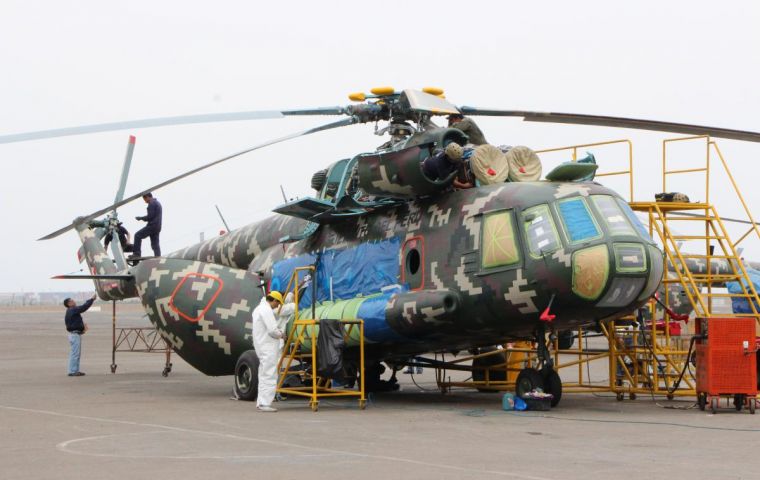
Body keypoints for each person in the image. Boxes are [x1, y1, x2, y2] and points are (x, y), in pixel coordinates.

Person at [251, 290, 295, 412]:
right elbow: (272, 330)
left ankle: (261, 402)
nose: (278, 306)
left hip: (261, 346)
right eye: (278, 303)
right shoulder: (266, 311)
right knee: (270, 375)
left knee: (263, 374)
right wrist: (281, 334)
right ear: (274, 300)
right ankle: (265, 403)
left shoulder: (258, 309)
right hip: (268, 347)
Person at [63, 294, 97, 377]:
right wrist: (91, 299)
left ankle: (75, 370)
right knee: (75, 354)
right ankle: (73, 371)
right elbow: (84, 307)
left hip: (74, 334)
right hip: (74, 335)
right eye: (71, 300)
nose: (74, 301)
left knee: (75, 353)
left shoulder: (70, 311)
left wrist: (81, 329)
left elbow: (72, 324)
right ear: (69, 303)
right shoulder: (72, 309)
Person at [132, 192, 162, 258]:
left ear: (147, 197)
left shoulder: (151, 203)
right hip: (157, 227)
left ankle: (137, 253)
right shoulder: (157, 203)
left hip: (152, 226)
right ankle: (158, 257)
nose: (145, 201)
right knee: (155, 244)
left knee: (137, 235)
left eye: (144, 199)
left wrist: (141, 218)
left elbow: (150, 217)